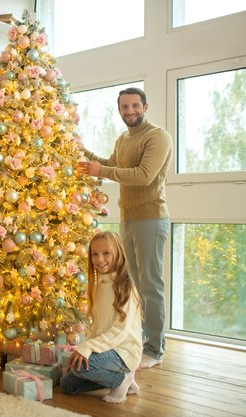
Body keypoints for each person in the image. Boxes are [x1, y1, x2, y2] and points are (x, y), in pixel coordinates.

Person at [78, 87, 172, 369]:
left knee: (151, 285)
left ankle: (155, 348)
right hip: (127, 218)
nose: (129, 111)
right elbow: (109, 165)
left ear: (145, 106)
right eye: (124, 107)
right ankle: (138, 337)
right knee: (132, 283)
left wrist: (102, 171)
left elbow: (143, 177)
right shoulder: (123, 138)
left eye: (134, 106)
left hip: (151, 218)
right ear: (119, 110)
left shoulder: (157, 137)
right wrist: (79, 149)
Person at [60, 231, 142, 403]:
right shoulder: (98, 286)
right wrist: (84, 348)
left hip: (123, 350)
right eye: (95, 254)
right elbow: (95, 326)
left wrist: (88, 348)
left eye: (106, 253)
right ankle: (118, 378)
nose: (99, 259)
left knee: (81, 367)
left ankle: (123, 380)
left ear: (118, 254)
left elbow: (119, 332)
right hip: (105, 347)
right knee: (67, 384)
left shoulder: (125, 288)